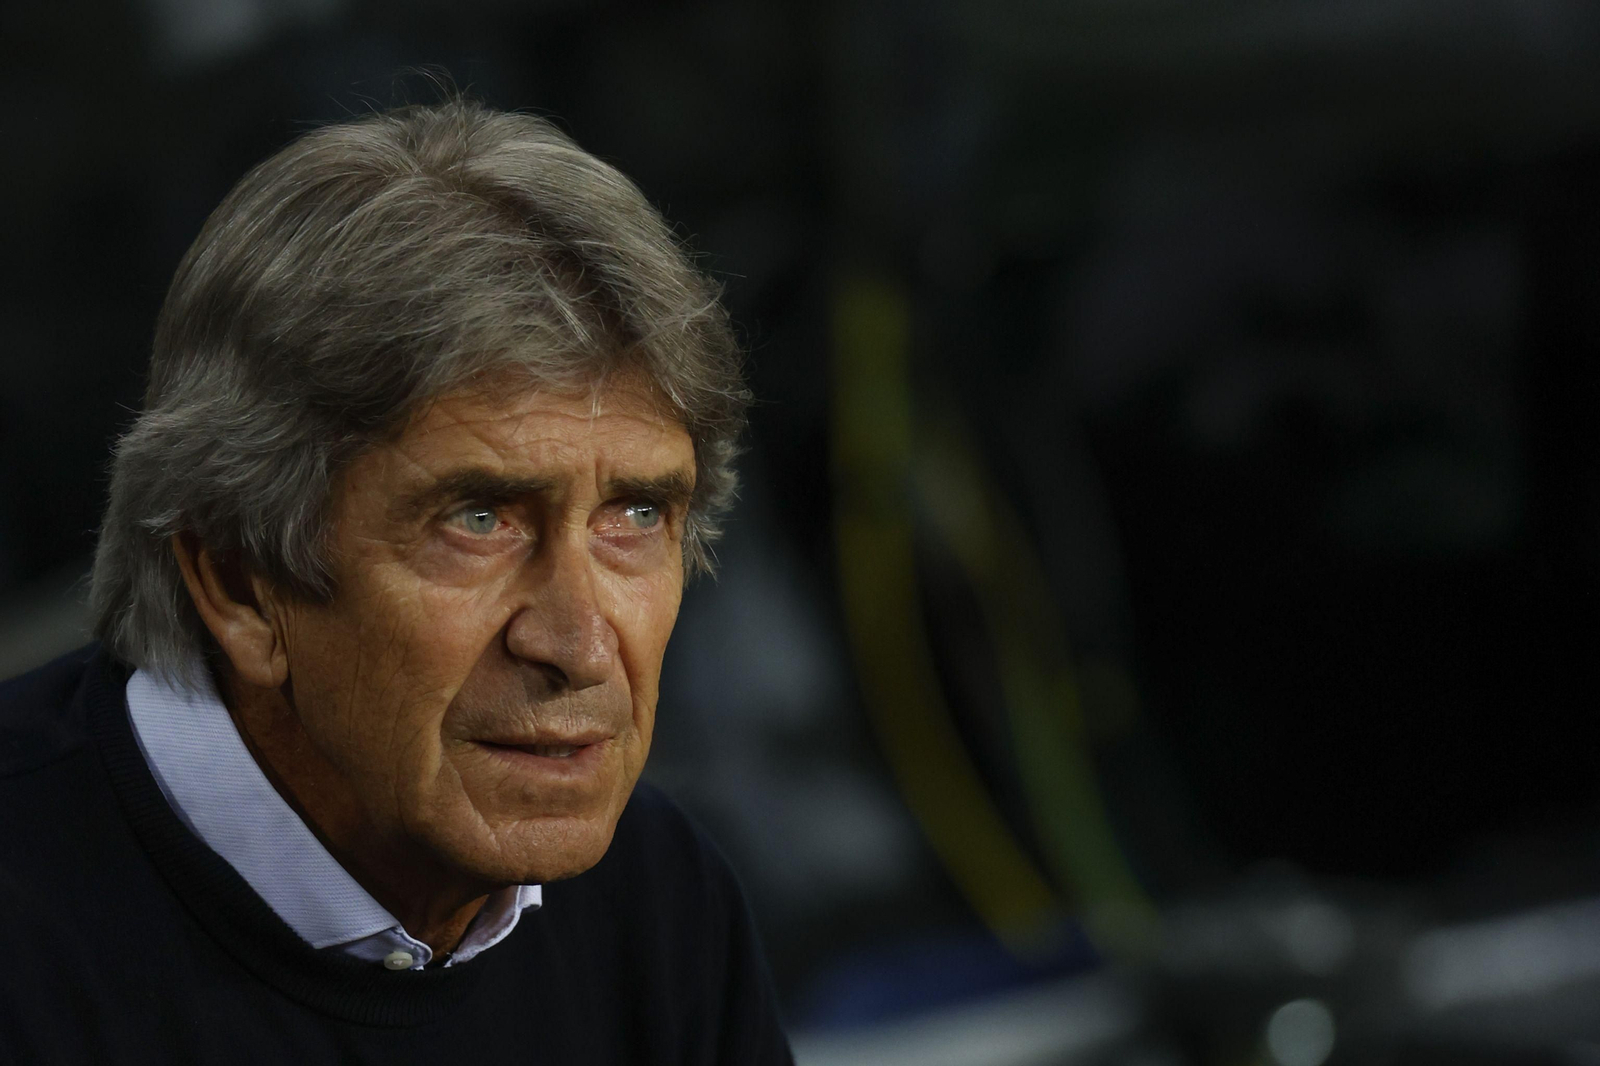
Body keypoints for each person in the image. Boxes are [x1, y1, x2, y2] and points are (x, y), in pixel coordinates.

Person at [0, 98, 793, 1064]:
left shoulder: (656, 899)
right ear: (242, 584)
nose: (581, 644)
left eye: (634, 516)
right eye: (479, 521)